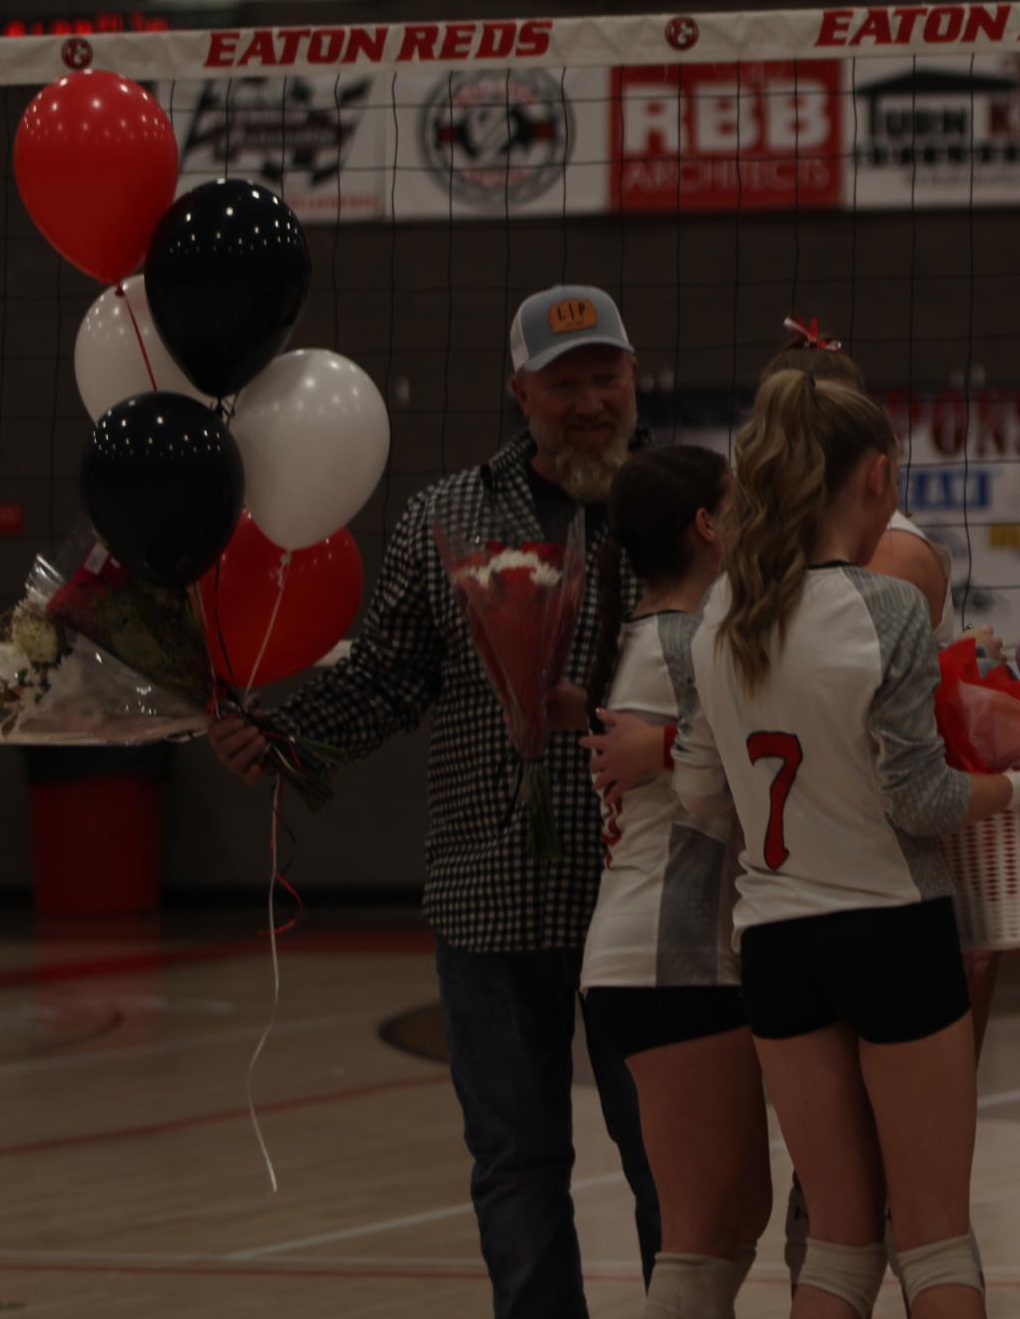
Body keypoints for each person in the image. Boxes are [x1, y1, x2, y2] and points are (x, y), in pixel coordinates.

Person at [207, 284, 661, 1318]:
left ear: (635, 378)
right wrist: (281, 738)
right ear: (520, 391)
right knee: (514, 1164)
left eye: (607, 378)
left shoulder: (680, 505)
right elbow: (387, 675)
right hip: (485, 889)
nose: (590, 403)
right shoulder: (444, 515)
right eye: (564, 385)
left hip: (643, 891)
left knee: (668, 1164)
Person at [672, 369, 1020, 1319]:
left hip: (776, 945)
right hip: (889, 931)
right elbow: (924, 801)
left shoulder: (721, 618)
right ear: (873, 475)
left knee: (836, 1242)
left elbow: (699, 790)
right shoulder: (885, 609)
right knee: (935, 1236)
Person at [579, 445, 771, 1318]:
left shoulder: (668, 638)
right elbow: (737, 773)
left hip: (683, 957)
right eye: (738, 503)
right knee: (699, 1229)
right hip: (667, 957)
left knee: (736, 1217)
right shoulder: (684, 644)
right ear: (706, 525)